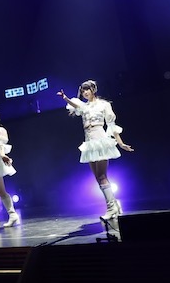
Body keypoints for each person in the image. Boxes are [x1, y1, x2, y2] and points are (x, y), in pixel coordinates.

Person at [57, 80, 133, 220]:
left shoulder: (104, 105)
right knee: (98, 178)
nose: (85, 93)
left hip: (100, 141)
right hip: (89, 143)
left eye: (87, 89)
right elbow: (75, 105)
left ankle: (111, 208)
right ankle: (114, 205)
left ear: (93, 90)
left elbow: (111, 125)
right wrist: (65, 98)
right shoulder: (84, 106)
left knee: (102, 176)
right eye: (83, 91)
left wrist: (121, 143)